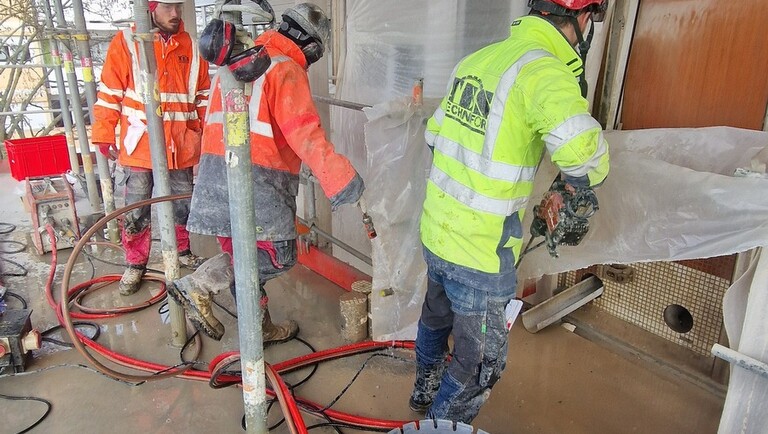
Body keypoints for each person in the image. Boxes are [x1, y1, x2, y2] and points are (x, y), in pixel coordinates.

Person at [410, 0, 611, 424]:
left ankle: (423, 394)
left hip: (437, 232)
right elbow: (584, 156)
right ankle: (439, 428)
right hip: (480, 253)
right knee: (481, 363)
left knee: (435, 318)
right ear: (581, 18)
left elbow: (434, 136)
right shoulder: (544, 72)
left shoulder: (478, 59)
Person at [169, 3, 364, 344]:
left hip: (217, 172)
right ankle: (200, 284)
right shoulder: (285, 67)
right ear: (311, 45)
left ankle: (259, 328)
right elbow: (305, 134)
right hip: (258, 176)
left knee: (240, 250)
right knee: (276, 254)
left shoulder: (242, 57)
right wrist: (344, 181)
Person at [93, 0, 211, 296]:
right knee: (136, 208)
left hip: (181, 144)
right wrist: (103, 134)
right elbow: (109, 94)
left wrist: (205, 139)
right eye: (168, 7)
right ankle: (135, 263)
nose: (175, 14)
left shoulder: (192, 47)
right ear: (151, 8)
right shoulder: (128, 43)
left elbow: (204, 97)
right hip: (140, 146)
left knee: (183, 204)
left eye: (178, 7)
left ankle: (182, 251)